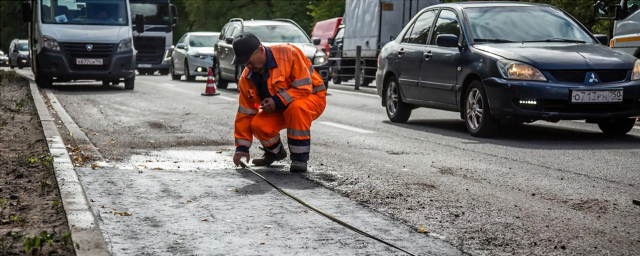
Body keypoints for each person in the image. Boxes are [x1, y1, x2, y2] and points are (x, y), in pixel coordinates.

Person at [231, 33, 327, 172]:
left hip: (311, 98)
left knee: (296, 108)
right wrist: (242, 148)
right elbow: (245, 113)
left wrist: (277, 101)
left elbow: (304, 88)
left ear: (261, 50)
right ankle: (275, 153)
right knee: (258, 125)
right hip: (282, 107)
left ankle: (299, 159)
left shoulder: (288, 54)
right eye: (245, 63)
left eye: (250, 61)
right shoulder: (246, 79)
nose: (248, 66)